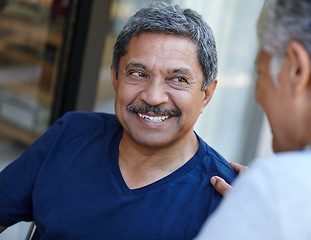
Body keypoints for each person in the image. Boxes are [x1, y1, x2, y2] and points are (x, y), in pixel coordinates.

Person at [0, 2, 237, 239]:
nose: (153, 97)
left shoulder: (228, 199)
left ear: (206, 94)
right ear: (115, 78)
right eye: (138, 74)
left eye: (178, 79)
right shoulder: (70, 134)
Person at [197, 0, 311, 239]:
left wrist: (259, 209)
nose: (258, 94)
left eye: (260, 71)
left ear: (296, 70)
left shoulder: (276, 190)